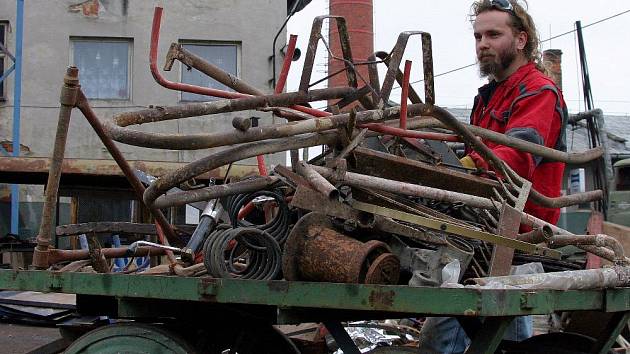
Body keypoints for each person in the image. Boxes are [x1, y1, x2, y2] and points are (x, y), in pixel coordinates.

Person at [418, 0, 568, 352]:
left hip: (516, 238)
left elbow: (517, 155)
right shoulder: (487, 97)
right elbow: (470, 150)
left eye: (493, 34)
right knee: (458, 337)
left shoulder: (538, 91)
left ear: (520, 39)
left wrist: (464, 168)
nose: (482, 43)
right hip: (482, 235)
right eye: (478, 35)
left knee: (490, 340)